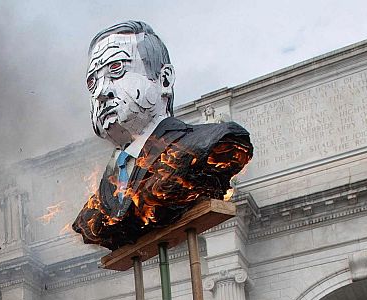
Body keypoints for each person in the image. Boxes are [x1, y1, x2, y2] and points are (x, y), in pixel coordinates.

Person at [72, 20, 252, 249]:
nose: (100, 93)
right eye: (92, 83)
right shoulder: (95, 209)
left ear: (164, 79)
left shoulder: (210, 144)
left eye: (116, 69)